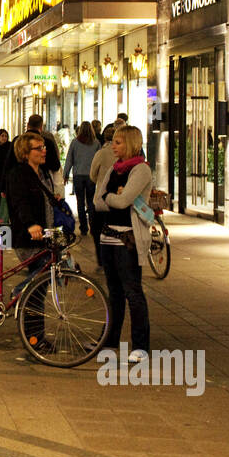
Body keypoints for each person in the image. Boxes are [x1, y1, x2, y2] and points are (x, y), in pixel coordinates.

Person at [93, 125, 154, 364]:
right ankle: (110, 341)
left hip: (128, 238)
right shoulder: (113, 169)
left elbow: (123, 201)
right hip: (107, 236)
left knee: (133, 291)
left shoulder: (141, 170)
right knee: (114, 293)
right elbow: (99, 201)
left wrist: (113, 197)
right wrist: (113, 196)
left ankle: (141, 345)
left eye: (117, 142)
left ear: (130, 143)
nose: (112, 146)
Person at [4, 131, 58, 353]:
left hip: (45, 235)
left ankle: (35, 335)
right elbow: (19, 202)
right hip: (27, 236)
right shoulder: (18, 174)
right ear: (26, 153)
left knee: (42, 282)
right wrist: (30, 225)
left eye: (44, 147)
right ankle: (35, 338)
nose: (44, 150)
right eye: (39, 148)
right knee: (37, 286)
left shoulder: (42, 173)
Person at [87, 120, 123, 265]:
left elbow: (92, 175)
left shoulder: (101, 153)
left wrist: (99, 182)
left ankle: (102, 258)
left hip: (102, 200)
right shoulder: (123, 155)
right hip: (118, 199)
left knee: (97, 230)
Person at [63, 122, 99, 235]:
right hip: (91, 176)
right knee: (91, 202)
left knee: (80, 202)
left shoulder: (75, 142)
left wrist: (65, 174)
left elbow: (69, 159)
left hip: (78, 175)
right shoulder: (96, 143)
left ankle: (83, 227)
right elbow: (99, 160)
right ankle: (93, 226)